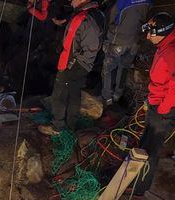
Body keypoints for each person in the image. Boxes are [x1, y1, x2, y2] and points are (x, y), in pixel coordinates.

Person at [38, 0, 104, 136]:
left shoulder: (82, 18)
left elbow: (81, 45)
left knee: (59, 95)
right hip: (84, 64)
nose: (71, 1)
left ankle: (57, 127)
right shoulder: (97, 14)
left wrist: (70, 63)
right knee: (74, 93)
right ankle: (70, 125)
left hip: (74, 64)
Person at [134, 13, 175, 195]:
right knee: (145, 142)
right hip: (155, 102)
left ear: (163, 32)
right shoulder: (163, 45)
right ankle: (134, 173)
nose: (147, 37)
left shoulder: (172, 52)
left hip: (162, 109)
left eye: (151, 33)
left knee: (152, 148)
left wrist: (162, 108)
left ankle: (140, 187)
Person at [101, 0, 152, 105]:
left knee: (109, 69)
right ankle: (117, 95)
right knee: (124, 67)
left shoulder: (121, 2)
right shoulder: (148, 1)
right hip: (135, 41)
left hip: (117, 41)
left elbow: (109, 20)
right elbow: (148, 20)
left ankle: (107, 98)